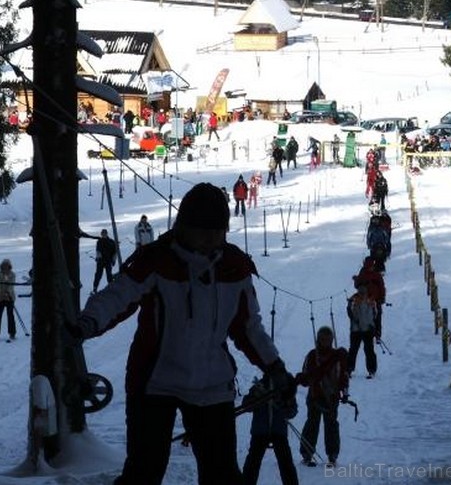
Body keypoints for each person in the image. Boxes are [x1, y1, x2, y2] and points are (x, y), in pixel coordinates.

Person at [69, 182, 296, 485]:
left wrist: (274, 367)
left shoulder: (234, 267)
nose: (211, 239)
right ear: (184, 227)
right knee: (143, 472)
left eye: (218, 231)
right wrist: (88, 322)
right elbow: (117, 296)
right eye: (203, 230)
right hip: (155, 382)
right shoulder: (157, 259)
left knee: (223, 475)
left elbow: (248, 328)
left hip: (212, 383)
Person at [295, 326, 349, 467]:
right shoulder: (312, 355)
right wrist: (307, 379)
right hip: (315, 396)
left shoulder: (338, 356)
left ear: (331, 340)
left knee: (331, 425)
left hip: (332, 397)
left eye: (328, 339)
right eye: (322, 339)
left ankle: (332, 455)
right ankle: (307, 454)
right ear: (318, 339)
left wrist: (345, 393)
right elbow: (306, 376)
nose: (325, 341)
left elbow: (344, 376)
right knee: (312, 424)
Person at [241, 374, 299, 485]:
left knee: (286, 464)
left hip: (279, 431)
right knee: (252, 463)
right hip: (260, 431)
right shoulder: (258, 387)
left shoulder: (285, 388)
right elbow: (246, 406)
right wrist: (255, 398)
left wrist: (285, 404)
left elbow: (292, 411)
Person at [346, 283, 378, 378]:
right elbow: (349, 312)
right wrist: (355, 320)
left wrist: (373, 325)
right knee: (353, 350)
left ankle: (372, 370)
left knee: (369, 350)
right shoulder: (353, 300)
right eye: (360, 292)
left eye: (364, 292)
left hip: (368, 329)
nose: (362, 294)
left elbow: (375, 313)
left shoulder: (371, 301)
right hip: (356, 330)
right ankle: (349, 369)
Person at [355, 257, 386, 338]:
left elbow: (382, 287)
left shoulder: (377, 274)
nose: (371, 268)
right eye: (370, 266)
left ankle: (377, 334)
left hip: (376, 299)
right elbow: (357, 285)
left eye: (372, 266)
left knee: (378, 315)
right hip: (366, 299)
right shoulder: (363, 273)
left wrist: (382, 297)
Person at [0, 259, 16, 341]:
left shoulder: (12, 274)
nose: (5, 267)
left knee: (10, 315)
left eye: (7, 266)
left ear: (9, 266)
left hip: (10, 297)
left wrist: (6, 294)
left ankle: (12, 333)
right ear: (1, 266)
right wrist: (0, 293)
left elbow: (11, 286)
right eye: (3, 266)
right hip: (0, 297)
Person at [93, 229, 117, 294]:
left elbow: (114, 252)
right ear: (101, 234)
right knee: (98, 275)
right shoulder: (99, 241)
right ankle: (95, 288)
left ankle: (111, 288)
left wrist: (113, 260)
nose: (103, 235)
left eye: (104, 233)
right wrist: (98, 258)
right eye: (102, 233)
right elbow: (98, 251)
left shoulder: (112, 241)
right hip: (100, 262)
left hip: (108, 261)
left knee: (109, 275)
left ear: (107, 234)